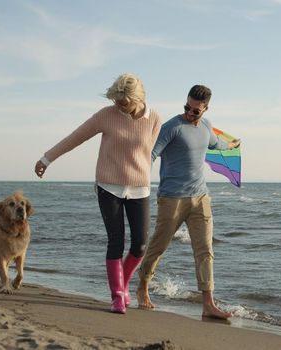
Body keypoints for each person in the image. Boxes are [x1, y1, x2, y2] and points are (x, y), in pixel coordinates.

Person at [34, 74, 162, 314]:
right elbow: (76, 137)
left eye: (124, 102)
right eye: (116, 101)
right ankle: (116, 297)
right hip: (108, 186)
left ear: (138, 99)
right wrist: (46, 158)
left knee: (140, 245)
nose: (118, 106)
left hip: (139, 188)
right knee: (116, 241)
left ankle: (123, 285)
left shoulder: (154, 118)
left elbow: (148, 153)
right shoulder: (106, 115)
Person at [137, 85, 239, 319]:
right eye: (187, 107)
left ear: (205, 109)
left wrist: (232, 145)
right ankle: (142, 287)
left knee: (205, 250)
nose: (189, 113)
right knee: (158, 247)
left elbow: (215, 144)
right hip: (172, 198)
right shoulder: (172, 127)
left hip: (200, 197)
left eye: (195, 110)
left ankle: (208, 304)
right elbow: (150, 155)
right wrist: (138, 182)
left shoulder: (205, 125)